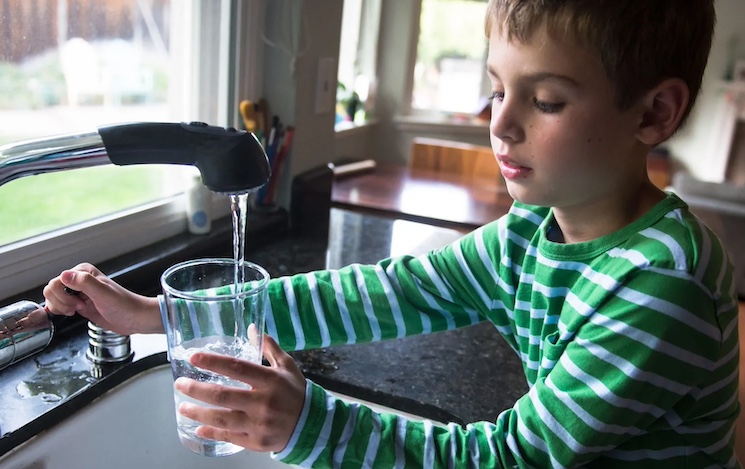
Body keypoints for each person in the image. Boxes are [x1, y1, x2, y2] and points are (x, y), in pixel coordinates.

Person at [43, 0, 739, 467]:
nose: (499, 122)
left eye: (546, 99)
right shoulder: (532, 228)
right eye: (498, 88)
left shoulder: (658, 283)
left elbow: (509, 458)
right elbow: (386, 292)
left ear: (653, 113)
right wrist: (157, 316)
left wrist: (306, 426)